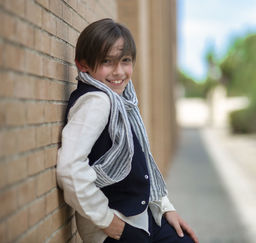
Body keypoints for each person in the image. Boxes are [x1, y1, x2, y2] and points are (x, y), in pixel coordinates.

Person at [56, 18, 198, 243]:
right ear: (83, 65)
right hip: (115, 227)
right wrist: (110, 223)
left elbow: (143, 160)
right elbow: (70, 169)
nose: (119, 71)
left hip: (142, 217)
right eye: (107, 61)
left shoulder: (122, 101)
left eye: (125, 61)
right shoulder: (97, 102)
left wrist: (165, 207)